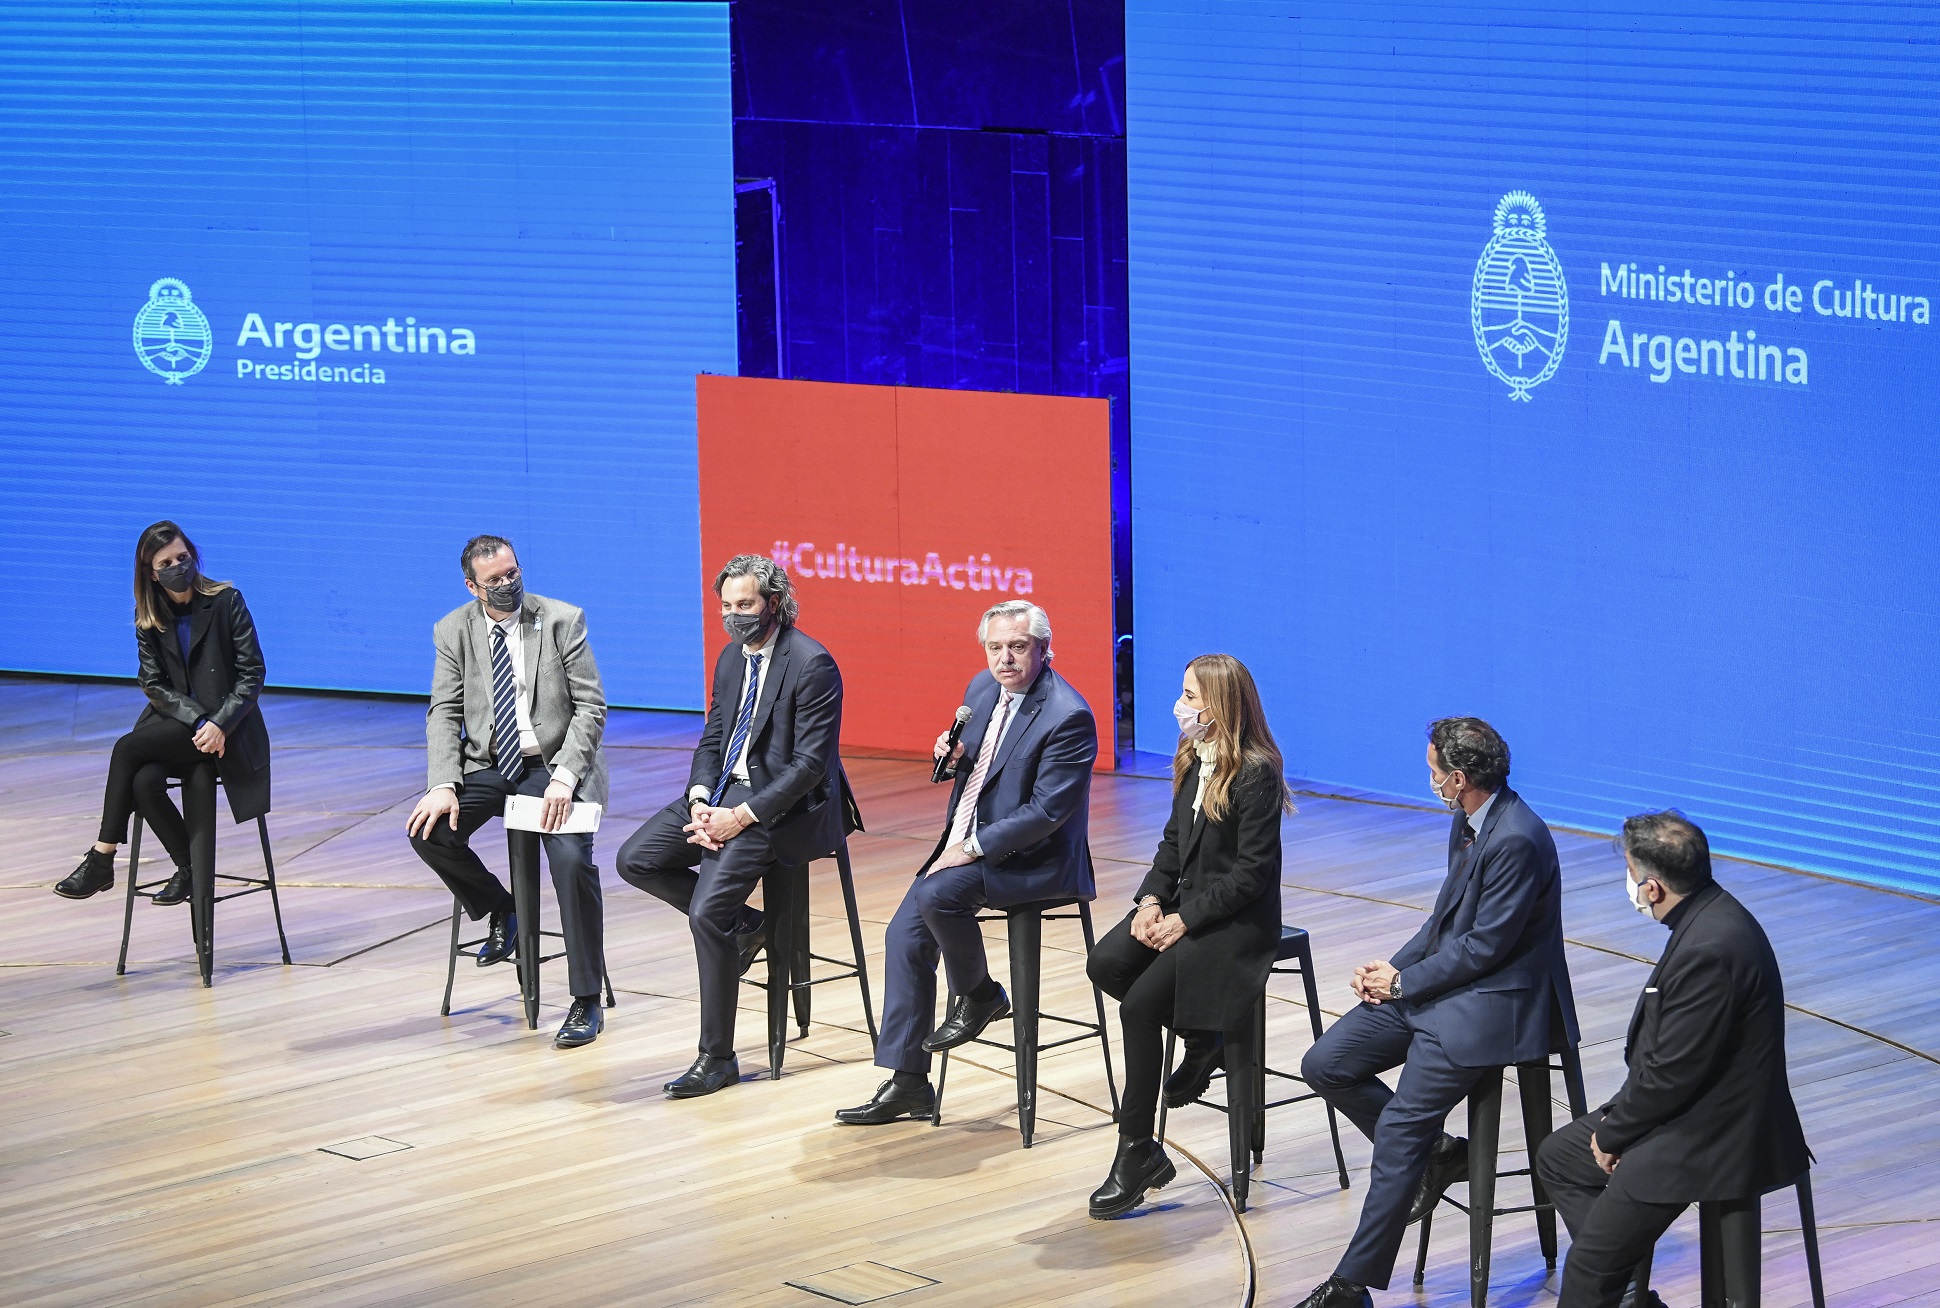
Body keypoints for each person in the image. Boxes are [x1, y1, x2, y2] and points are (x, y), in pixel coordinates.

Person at [1294, 717, 1580, 1308]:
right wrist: (1388, 974)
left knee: (1399, 1126)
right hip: (1443, 986)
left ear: (1458, 777)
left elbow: (1487, 948)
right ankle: (1438, 1155)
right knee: (1327, 1061)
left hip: (1495, 1002)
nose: (1429, 781)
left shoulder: (1518, 839)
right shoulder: (1468, 821)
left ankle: (1353, 1286)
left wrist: (1406, 983)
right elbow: (1444, 922)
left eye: (1432, 773)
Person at [835, 600, 1097, 1127]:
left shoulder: (1068, 716)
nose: (1005, 659)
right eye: (995, 647)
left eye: (1018, 648)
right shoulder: (981, 689)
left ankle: (978, 996)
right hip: (967, 843)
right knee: (904, 937)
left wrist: (972, 848)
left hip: (1033, 858)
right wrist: (952, 758)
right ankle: (910, 1082)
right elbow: (981, 768)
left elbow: (1046, 811)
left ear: (1045, 650)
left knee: (936, 896)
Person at [1535, 812, 1809, 1308]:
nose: (1630, 886)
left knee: (1590, 1267)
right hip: (1689, 1108)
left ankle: (1611, 1277)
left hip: (1706, 1136)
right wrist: (1614, 1123)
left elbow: (1672, 1075)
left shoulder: (1710, 948)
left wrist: (1614, 1134)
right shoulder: (1709, 915)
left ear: (1653, 888)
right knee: (1559, 1156)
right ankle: (1631, 1291)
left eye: (1630, 874)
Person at [615, 555, 856, 1099]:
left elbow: (809, 766)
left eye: (744, 605)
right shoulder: (730, 658)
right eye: (726, 606)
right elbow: (713, 736)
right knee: (636, 859)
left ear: (773, 602)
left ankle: (717, 1059)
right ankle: (753, 927)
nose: (734, 616)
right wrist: (701, 800)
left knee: (706, 912)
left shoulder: (812, 663)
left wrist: (739, 817)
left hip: (785, 808)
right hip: (723, 792)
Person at [1083, 654, 1295, 1218]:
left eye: (1193, 698)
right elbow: (1173, 842)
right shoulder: (1193, 757)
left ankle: (1136, 1150)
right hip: (1185, 904)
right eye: (1183, 694)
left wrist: (1184, 920)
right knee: (1106, 963)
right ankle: (1205, 1037)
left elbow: (1251, 875)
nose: (1183, 707)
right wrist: (1151, 901)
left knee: (1138, 1009)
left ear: (1221, 706)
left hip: (1235, 922)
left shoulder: (1256, 770)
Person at [406, 535, 610, 1050]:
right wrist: (442, 784)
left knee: (569, 861)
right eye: (494, 580)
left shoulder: (562, 619)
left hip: (553, 764)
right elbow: (444, 711)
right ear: (473, 587)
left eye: (512, 572)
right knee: (429, 830)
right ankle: (503, 909)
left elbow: (591, 708)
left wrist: (565, 776)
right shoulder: (453, 630)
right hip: (491, 765)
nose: (507, 584)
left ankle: (584, 1000)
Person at [55, 521, 272, 910]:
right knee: (143, 782)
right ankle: (189, 869)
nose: (178, 566)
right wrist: (197, 720)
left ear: (193, 555)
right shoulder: (148, 615)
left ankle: (102, 857)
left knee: (126, 749)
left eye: (183, 557)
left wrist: (219, 722)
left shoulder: (227, 600)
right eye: (167, 562)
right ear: (151, 573)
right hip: (185, 726)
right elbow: (152, 683)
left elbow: (252, 673)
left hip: (230, 730)